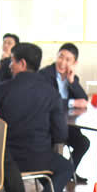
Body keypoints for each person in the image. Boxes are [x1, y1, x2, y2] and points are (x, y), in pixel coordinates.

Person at [0, 43, 73, 192]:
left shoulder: (1, 91)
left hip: (6, 160)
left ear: (22, 63)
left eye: (12, 61)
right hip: (38, 158)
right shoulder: (50, 92)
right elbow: (61, 134)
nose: (10, 65)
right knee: (66, 167)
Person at [39, 42, 90, 184]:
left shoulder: (72, 77)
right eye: (61, 57)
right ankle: (60, 176)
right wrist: (71, 103)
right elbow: (48, 100)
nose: (62, 62)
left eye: (68, 60)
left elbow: (83, 100)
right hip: (49, 126)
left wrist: (72, 82)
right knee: (52, 147)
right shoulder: (44, 75)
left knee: (83, 143)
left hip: (67, 126)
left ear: (74, 63)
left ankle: (68, 173)